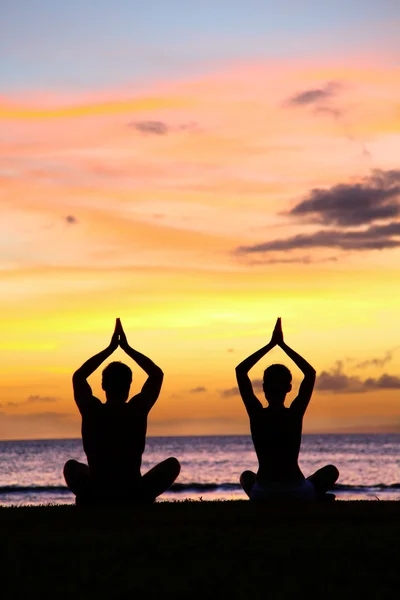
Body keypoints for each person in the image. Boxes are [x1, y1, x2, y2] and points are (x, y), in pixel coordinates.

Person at [64, 318, 180, 504]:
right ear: (129, 386)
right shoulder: (137, 409)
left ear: (102, 385)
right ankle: (136, 500)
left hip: (97, 492)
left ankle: (91, 499)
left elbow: (79, 376)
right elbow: (156, 374)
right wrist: (126, 348)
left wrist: (110, 349)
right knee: (172, 464)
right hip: (133, 492)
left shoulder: (91, 410)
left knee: (71, 467)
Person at [235, 317, 339, 502]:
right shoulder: (294, 413)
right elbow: (310, 374)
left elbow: (241, 371)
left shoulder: (257, 414)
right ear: (289, 388)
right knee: (331, 471)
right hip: (298, 491)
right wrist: (282, 345)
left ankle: (310, 495)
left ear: (264, 388)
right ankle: (314, 496)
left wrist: (271, 345)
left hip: (263, 494)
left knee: (246, 476)